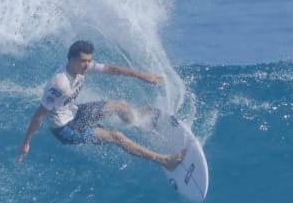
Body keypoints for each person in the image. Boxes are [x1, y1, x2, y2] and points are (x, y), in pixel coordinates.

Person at [16, 40, 186, 170]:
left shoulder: (81, 68)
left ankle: (137, 121)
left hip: (74, 112)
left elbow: (112, 69)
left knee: (120, 105)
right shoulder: (59, 84)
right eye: (83, 61)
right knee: (116, 136)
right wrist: (26, 142)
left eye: (89, 61)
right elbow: (39, 114)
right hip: (65, 128)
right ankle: (165, 161)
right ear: (72, 59)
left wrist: (141, 75)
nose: (87, 65)